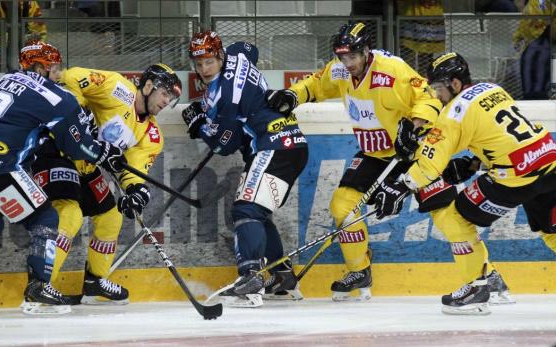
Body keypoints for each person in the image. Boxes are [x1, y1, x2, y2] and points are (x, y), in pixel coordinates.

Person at [267, 21, 511, 304]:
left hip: (414, 154)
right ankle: (359, 271)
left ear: (366, 51)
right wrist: (293, 95)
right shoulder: (339, 70)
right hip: (374, 155)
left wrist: (414, 123)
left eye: (353, 57)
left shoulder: (391, 70)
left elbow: (428, 96)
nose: (348, 63)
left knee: (447, 217)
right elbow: (317, 84)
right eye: (342, 57)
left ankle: (487, 275)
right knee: (342, 206)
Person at [0, 41, 125, 314]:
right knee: (45, 218)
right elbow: (76, 147)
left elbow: (13, 120)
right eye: (54, 68)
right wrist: (104, 153)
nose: (58, 74)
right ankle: (39, 290)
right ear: (41, 67)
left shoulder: (6, 79)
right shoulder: (58, 98)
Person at [374, 52, 556, 315]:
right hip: (549, 161)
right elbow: (500, 136)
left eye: (438, 88)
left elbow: (429, 164)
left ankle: (476, 288)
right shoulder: (494, 89)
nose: (436, 95)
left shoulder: (453, 114)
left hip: (516, 178)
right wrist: (473, 164)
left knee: (454, 218)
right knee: (552, 232)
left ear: (455, 84)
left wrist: (401, 186)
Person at [31, 63, 182, 305]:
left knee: (111, 216)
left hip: (85, 165)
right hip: (54, 150)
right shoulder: (118, 87)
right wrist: (77, 114)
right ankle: (39, 287)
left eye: (171, 98)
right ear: (149, 85)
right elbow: (72, 77)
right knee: (69, 215)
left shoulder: (151, 134)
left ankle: (94, 281)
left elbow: (132, 169)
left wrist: (136, 191)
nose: (167, 101)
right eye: (165, 93)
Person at [183, 31, 308, 307]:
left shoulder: (225, 96)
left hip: (273, 145)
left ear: (219, 56)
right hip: (289, 143)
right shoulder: (237, 55)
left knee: (246, 209)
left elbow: (224, 145)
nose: (204, 69)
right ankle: (282, 277)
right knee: (258, 213)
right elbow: (249, 48)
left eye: (209, 62)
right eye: (199, 63)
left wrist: (199, 125)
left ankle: (250, 278)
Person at [513, 0, 553, 100]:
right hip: (536, 48)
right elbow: (525, 26)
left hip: (544, 47)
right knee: (534, 91)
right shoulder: (534, 4)